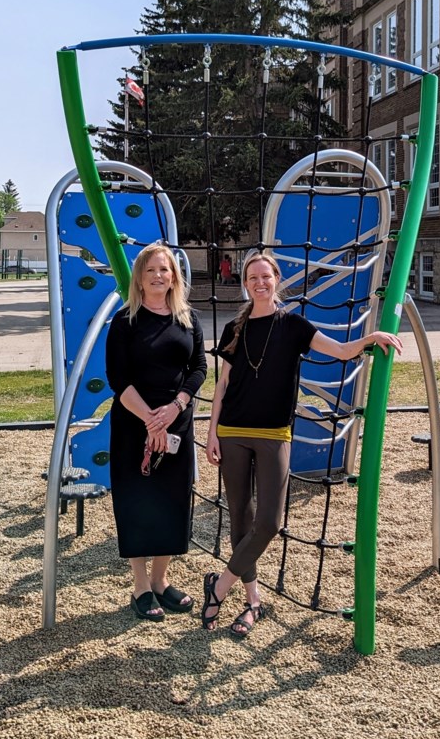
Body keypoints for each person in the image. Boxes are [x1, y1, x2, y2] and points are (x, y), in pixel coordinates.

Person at [201, 251, 403, 637]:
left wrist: (372, 337)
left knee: (269, 523)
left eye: (266, 276)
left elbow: (341, 351)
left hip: (274, 434)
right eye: (252, 278)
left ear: (277, 279)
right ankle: (252, 601)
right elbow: (223, 384)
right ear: (246, 283)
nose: (259, 283)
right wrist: (212, 431)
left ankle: (219, 586)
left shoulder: (293, 325)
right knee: (240, 518)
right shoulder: (234, 329)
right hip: (232, 432)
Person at [105, 243, 207, 622]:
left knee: (169, 501)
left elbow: (198, 367)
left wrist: (176, 406)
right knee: (138, 501)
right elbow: (118, 377)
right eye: (151, 271)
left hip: (176, 418)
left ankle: (161, 581)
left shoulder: (187, 319)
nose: (159, 276)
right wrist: (151, 419)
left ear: (174, 276)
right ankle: (140, 586)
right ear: (140, 277)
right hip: (136, 422)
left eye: (165, 270)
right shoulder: (124, 321)